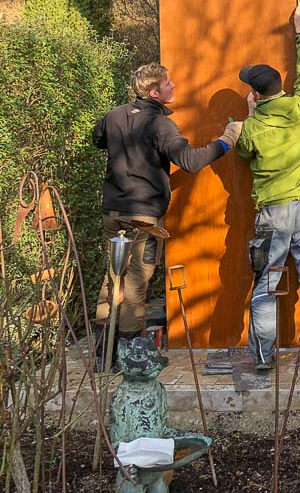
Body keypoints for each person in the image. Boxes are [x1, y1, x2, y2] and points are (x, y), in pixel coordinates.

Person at [93, 63, 242, 362]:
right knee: (135, 282)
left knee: (113, 277)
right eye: (168, 83)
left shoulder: (113, 116)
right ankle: (131, 357)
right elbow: (189, 160)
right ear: (154, 92)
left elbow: (97, 140)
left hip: (113, 212)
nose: (173, 85)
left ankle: (102, 355)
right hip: (142, 219)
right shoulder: (159, 124)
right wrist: (227, 140)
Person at [236, 2, 300, 371]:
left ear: (257, 94)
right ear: (281, 87)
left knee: (266, 285)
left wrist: (250, 115)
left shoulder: (253, 127)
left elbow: (244, 155)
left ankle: (264, 357)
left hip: (273, 217)